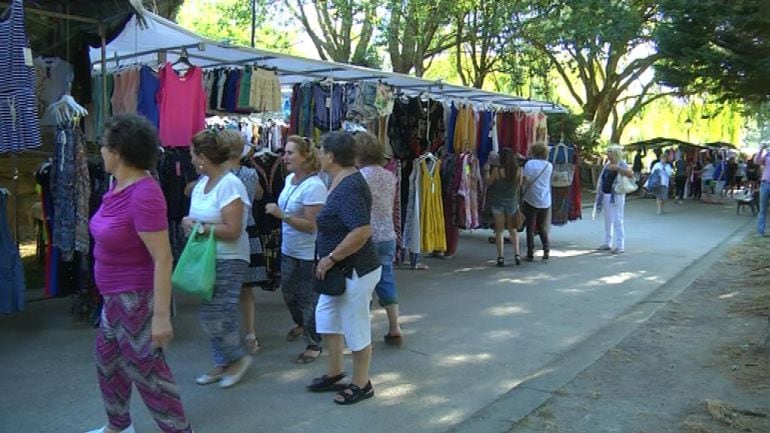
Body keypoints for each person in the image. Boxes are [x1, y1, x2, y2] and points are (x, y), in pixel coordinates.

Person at [86, 113, 192, 433]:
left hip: (135, 299)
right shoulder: (116, 186)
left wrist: (161, 316)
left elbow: (163, 258)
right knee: (109, 365)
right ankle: (118, 426)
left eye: (103, 146)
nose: (100, 151)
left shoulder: (144, 193)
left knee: (150, 374)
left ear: (118, 151)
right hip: (113, 299)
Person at [308, 132, 382, 405]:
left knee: (355, 325)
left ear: (330, 156)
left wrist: (331, 258)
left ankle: (362, 383)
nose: (317, 153)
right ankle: (335, 372)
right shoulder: (339, 179)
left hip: (354, 269)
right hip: (340, 270)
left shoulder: (350, 185)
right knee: (327, 318)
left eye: (320, 149)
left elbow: (361, 231)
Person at [183, 129, 253, 389]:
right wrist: (189, 222)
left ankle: (237, 359)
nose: (190, 160)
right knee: (212, 310)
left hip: (229, 257)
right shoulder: (202, 184)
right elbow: (202, 219)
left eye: (192, 155)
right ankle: (223, 362)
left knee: (217, 312)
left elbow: (233, 229)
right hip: (207, 257)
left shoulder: (230, 184)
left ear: (202, 157)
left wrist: (200, 228)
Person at [265, 136, 328, 364]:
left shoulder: (315, 187)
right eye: (285, 152)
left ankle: (314, 343)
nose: (285, 157)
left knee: (308, 298)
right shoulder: (290, 179)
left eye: (291, 153)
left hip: (307, 253)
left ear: (305, 157)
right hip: (288, 248)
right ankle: (302, 324)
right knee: (289, 294)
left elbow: (312, 226)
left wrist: (282, 216)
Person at [355, 132, 404, 345]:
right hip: (387, 235)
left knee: (362, 284)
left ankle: (361, 333)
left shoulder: (359, 178)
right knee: (386, 280)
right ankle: (395, 326)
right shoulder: (389, 176)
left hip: (366, 235)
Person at [224, 131, 266, 354]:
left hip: (224, 231)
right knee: (246, 289)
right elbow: (258, 195)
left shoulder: (217, 175)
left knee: (226, 288)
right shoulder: (250, 174)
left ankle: (229, 337)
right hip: (247, 230)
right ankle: (250, 333)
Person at [484, 148, 522, 266]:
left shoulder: (497, 170)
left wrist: (486, 172)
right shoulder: (518, 170)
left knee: (499, 231)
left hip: (498, 202)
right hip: (512, 203)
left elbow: (488, 183)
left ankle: (500, 257)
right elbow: (519, 186)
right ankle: (517, 255)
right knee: (513, 230)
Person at [593, 145, 634, 254]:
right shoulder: (607, 164)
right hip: (606, 195)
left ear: (615, 153)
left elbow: (630, 174)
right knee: (608, 220)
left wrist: (618, 169)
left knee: (617, 219)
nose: (607, 155)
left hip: (617, 195)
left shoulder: (621, 164)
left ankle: (620, 245)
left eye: (609, 153)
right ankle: (608, 242)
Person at [521, 143, 553, 262]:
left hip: (531, 198)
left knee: (530, 226)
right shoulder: (549, 165)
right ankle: (546, 249)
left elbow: (525, 181)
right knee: (541, 226)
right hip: (545, 199)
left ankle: (530, 252)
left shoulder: (529, 164)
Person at [754, 146, 770, 236]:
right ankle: (760, 231)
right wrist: (760, 150)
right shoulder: (768, 155)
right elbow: (756, 161)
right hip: (765, 184)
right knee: (763, 209)